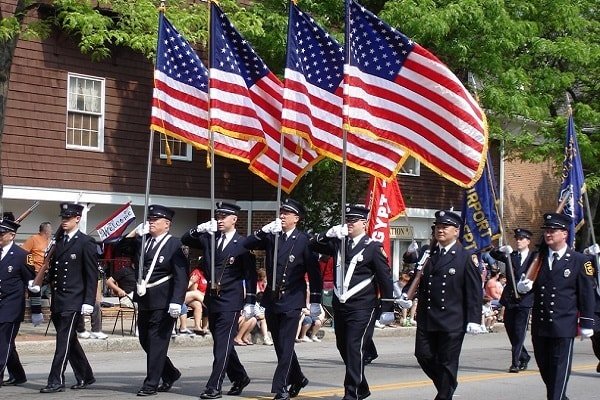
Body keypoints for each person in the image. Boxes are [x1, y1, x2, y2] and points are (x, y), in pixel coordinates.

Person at [310, 205, 394, 400]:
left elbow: (385, 278)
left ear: (364, 223)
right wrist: (328, 233)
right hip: (342, 306)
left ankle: (351, 393)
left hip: (363, 306)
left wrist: (387, 307)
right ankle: (362, 386)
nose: (349, 223)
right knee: (343, 346)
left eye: (353, 220)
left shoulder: (373, 247)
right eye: (347, 219)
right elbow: (312, 244)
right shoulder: (339, 243)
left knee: (354, 346)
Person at [398, 210, 482, 400]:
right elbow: (417, 280)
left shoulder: (464, 257)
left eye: (445, 227)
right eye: (438, 227)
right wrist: (406, 295)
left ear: (456, 231)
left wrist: (474, 319)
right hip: (427, 318)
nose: (440, 230)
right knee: (423, 355)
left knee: (447, 361)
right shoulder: (429, 254)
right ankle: (448, 384)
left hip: (452, 320)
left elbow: (474, 291)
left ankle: (444, 394)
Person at [244, 198, 322, 400]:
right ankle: (298, 378)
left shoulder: (303, 240)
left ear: (296, 218)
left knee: (287, 344)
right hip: (272, 298)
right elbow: (247, 243)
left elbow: (314, 273)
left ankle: (281, 387)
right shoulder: (273, 237)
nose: (282, 216)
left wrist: (315, 300)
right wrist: (264, 231)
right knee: (280, 345)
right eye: (281, 212)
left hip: (292, 299)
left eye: (286, 213)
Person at [517, 213, 595, 400]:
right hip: (541, 325)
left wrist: (587, 322)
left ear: (565, 234)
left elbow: (586, 294)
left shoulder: (579, 261)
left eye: (553, 231)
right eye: (546, 231)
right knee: (547, 372)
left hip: (563, 326)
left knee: (559, 374)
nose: (548, 234)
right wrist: (523, 287)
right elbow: (526, 284)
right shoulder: (537, 259)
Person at [182, 201, 257, 399]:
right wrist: (200, 228)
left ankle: (214, 385)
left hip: (231, 300)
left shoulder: (243, 244)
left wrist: (250, 301)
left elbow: (250, 275)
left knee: (221, 345)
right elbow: (186, 238)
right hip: (212, 299)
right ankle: (240, 376)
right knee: (222, 343)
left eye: (224, 216)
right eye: (218, 216)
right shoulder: (210, 239)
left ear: (234, 219)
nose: (220, 220)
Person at [34, 203, 99, 393]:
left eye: (68, 218)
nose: (64, 221)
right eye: (63, 217)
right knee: (70, 341)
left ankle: (56, 380)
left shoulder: (85, 242)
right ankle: (86, 375)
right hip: (59, 299)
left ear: (77, 219)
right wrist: (40, 281)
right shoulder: (59, 242)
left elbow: (91, 275)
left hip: (74, 300)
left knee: (63, 342)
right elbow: (53, 270)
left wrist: (88, 301)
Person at [127, 204, 188, 396]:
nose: (151, 222)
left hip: (164, 300)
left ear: (167, 224)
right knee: (145, 340)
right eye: (150, 219)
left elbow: (181, 275)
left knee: (157, 342)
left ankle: (151, 383)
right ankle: (170, 373)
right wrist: (134, 234)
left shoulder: (175, 245)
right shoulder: (143, 241)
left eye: (155, 220)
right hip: (145, 299)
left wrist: (177, 301)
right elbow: (118, 247)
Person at [490, 227, 535, 373]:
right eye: (517, 238)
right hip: (509, 298)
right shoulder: (511, 255)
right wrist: (502, 249)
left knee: (519, 331)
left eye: (521, 239)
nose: (518, 241)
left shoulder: (534, 257)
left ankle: (515, 362)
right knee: (510, 329)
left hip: (525, 299)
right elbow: (492, 253)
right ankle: (524, 356)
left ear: (528, 241)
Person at [0, 217, 35, 387]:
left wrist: (35, 310)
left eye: (2, 233)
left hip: (12, 307)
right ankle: (18, 375)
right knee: (7, 344)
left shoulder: (22, 256)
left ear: (11, 235)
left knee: (3, 341)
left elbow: (32, 282)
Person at [21, 221, 52, 326]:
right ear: (46, 230)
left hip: (48, 271)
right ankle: (36, 315)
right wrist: (31, 267)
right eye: (50, 229)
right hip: (36, 271)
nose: (51, 231)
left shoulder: (50, 241)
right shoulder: (33, 239)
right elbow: (23, 253)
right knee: (35, 291)